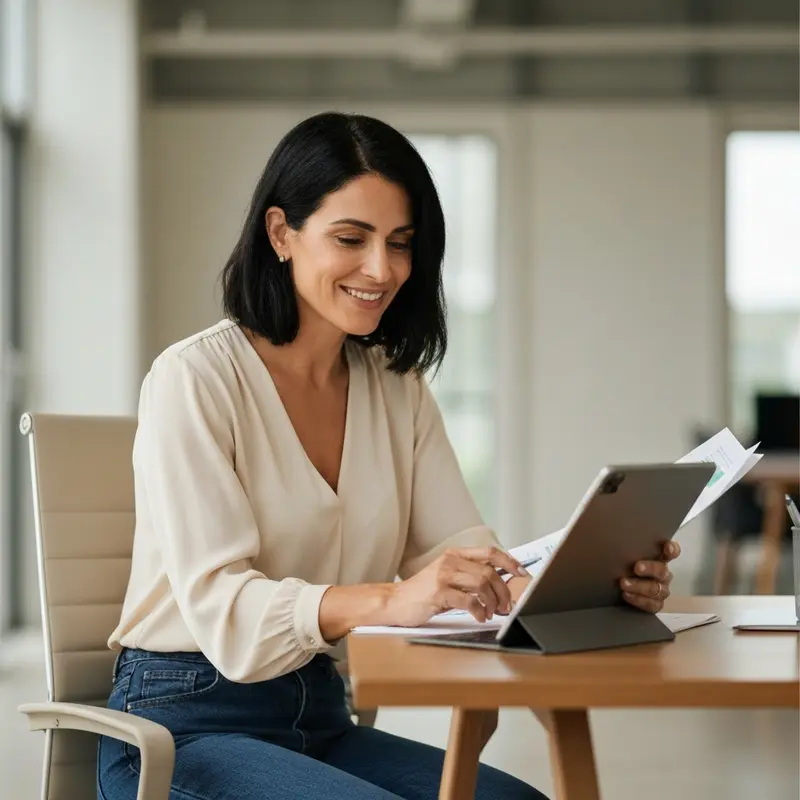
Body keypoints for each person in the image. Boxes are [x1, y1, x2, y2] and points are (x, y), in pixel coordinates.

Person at [98, 112, 679, 800]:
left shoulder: (396, 386)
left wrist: (584, 591)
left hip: (318, 715)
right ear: (281, 233)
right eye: (352, 238)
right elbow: (223, 608)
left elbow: (457, 554)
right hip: (181, 726)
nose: (382, 270)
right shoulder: (194, 379)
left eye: (400, 243)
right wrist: (392, 600)